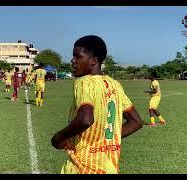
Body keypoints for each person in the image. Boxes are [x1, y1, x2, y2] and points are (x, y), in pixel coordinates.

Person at [51, 35, 143, 174]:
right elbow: (136, 121)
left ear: (94, 61)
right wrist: (107, 140)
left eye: (78, 57)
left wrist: (59, 138)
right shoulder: (115, 85)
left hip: (82, 167)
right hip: (109, 168)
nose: (72, 60)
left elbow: (86, 119)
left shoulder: (84, 82)